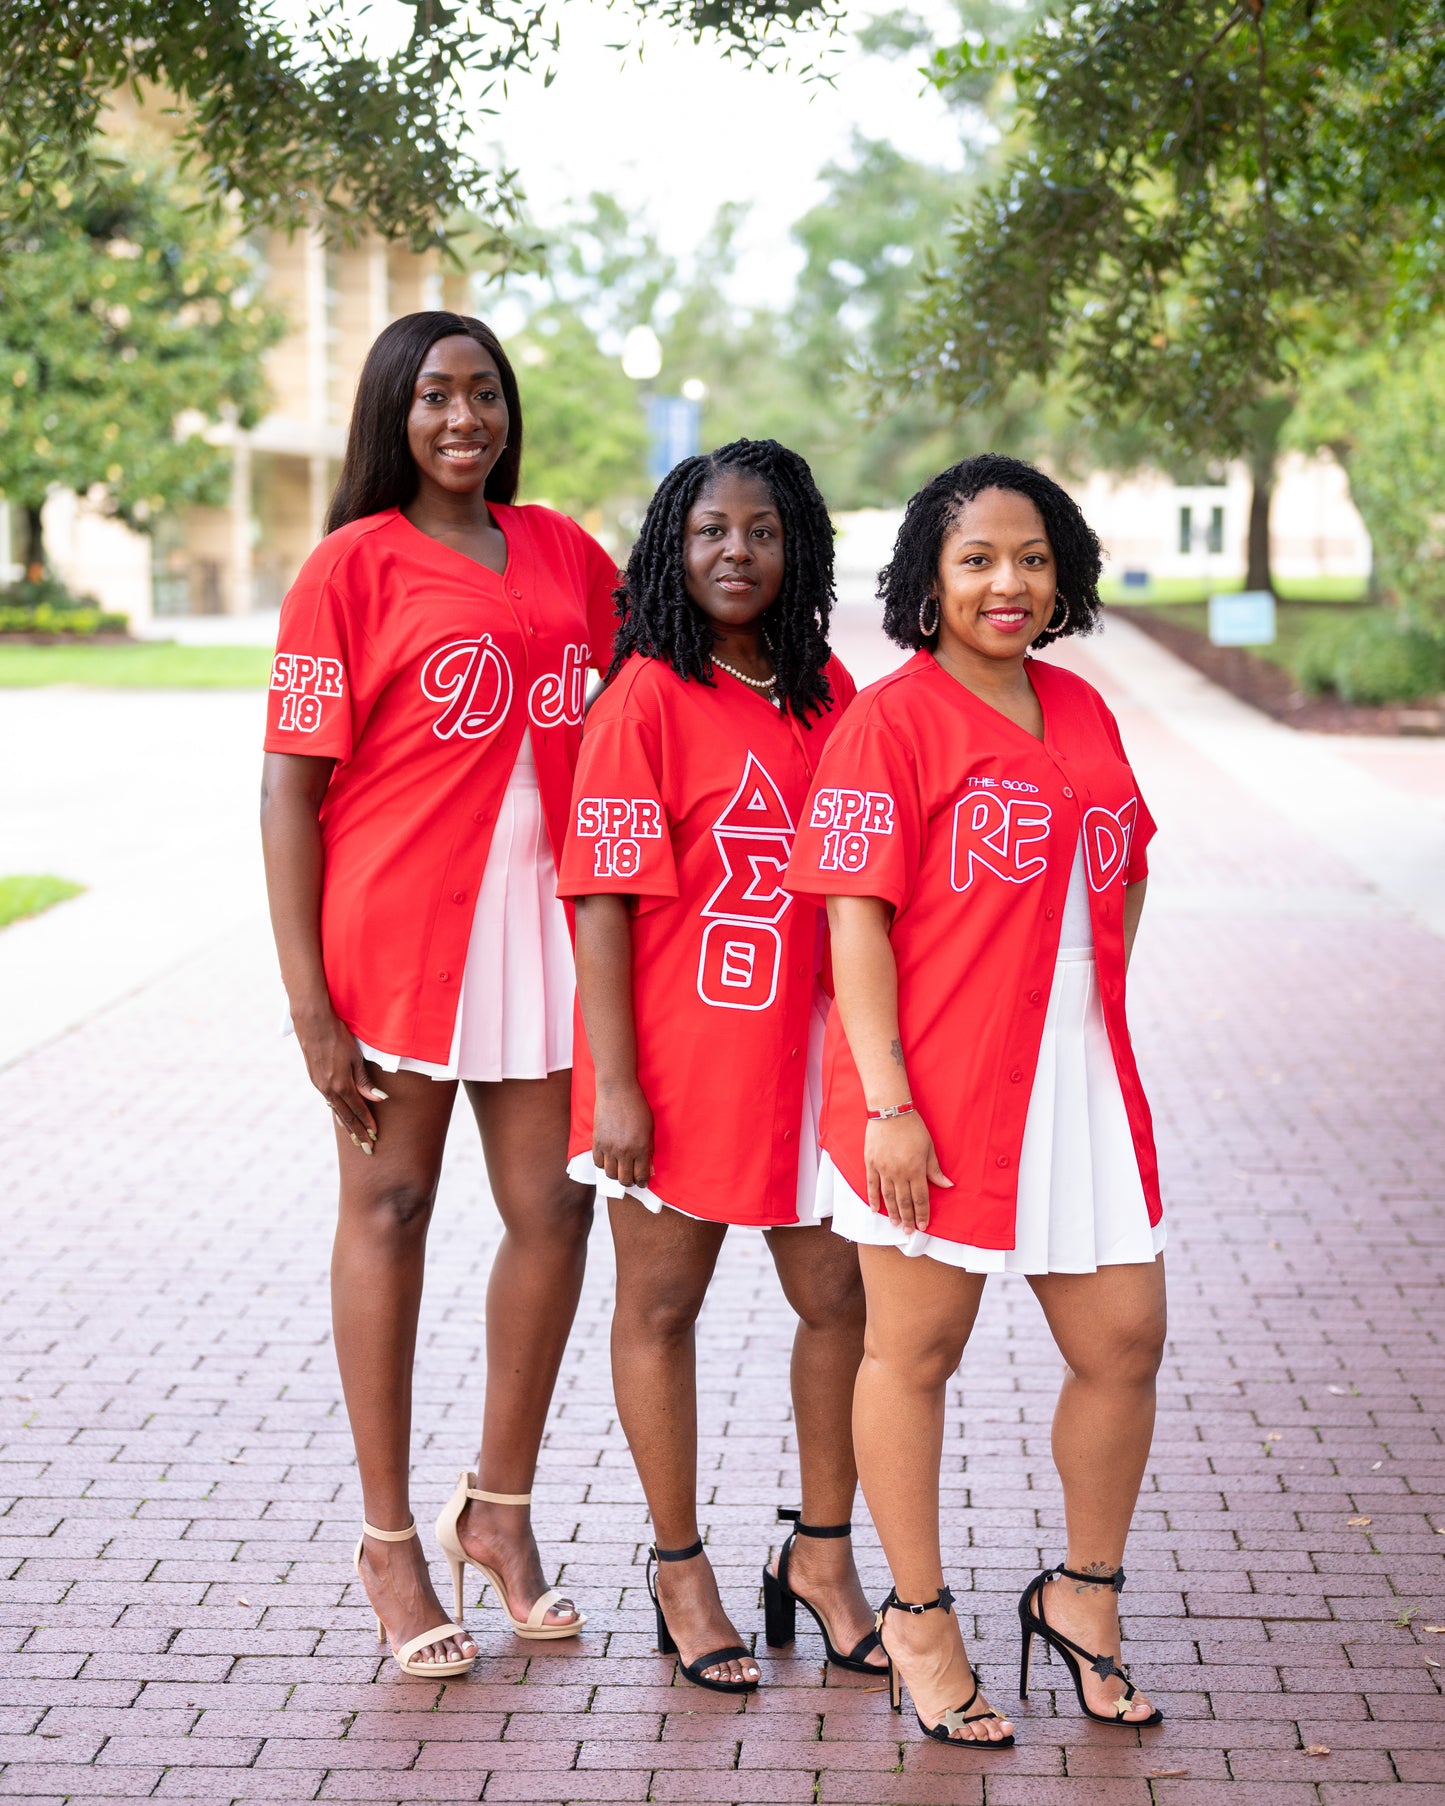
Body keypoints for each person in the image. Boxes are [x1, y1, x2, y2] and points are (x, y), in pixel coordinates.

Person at [785, 453, 1166, 1745]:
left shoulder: (1083, 708)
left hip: (1077, 1077)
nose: (1009, 582)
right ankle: (918, 1615)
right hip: (930, 1091)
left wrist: (1089, 993)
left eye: (1033, 558)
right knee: (916, 1350)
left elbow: (1126, 864)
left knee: (1122, 1340)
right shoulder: (887, 723)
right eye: (978, 560)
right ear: (927, 580)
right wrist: (887, 1100)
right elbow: (854, 927)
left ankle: (1082, 1593)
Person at [260, 312, 619, 1677]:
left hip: (544, 930)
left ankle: (500, 1510)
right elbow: (290, 787)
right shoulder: (349, 567)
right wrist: (309, 1004)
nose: (463, 417)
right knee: (390, 1205)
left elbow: (668, 671)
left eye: (483, 394)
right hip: (396, 936)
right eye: (434, 396)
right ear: (391, 416)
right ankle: (387, 1537)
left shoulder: (568, 554)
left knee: (552, 1208)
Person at [559, 439, 886, 1695]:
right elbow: (599, 899)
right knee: (659, 1309)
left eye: (760, 531)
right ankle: (679, 1565)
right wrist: (618, 1084)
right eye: (708, 533)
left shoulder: (829, 690)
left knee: (840, 1306)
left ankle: (818, 1551)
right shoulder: (641, 695)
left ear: (795, 545)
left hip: (811, 1060)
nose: (734, 554)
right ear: (669, 550)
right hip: (680, 1062)